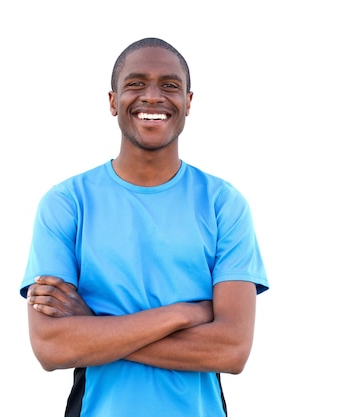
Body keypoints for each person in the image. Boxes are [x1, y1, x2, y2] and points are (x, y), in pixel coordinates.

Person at [19, 37, 269, 417]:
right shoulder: (68, 202)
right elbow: (52, 347)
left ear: (188, 102)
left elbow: (231, 350)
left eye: (169, 85)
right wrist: (184, 313)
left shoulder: (222, 203)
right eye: (135, 83)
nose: (152, 96)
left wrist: (93, 329)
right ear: (112, 101)